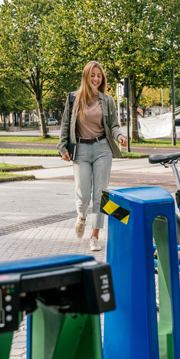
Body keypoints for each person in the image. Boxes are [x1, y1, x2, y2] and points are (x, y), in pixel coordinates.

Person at [58, 61, 127, 251]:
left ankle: (95, 236)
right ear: (86, 77)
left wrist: (119, 136)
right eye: (93, 75)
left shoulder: (107, 100)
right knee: (83, 192)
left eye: (99, 76)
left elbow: (113, 125)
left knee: (101, 194)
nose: (96, 79)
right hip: (80, 149)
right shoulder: (73, 98)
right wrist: (62, 147)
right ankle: (81, 217)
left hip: (102, 148)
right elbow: (65, 124)